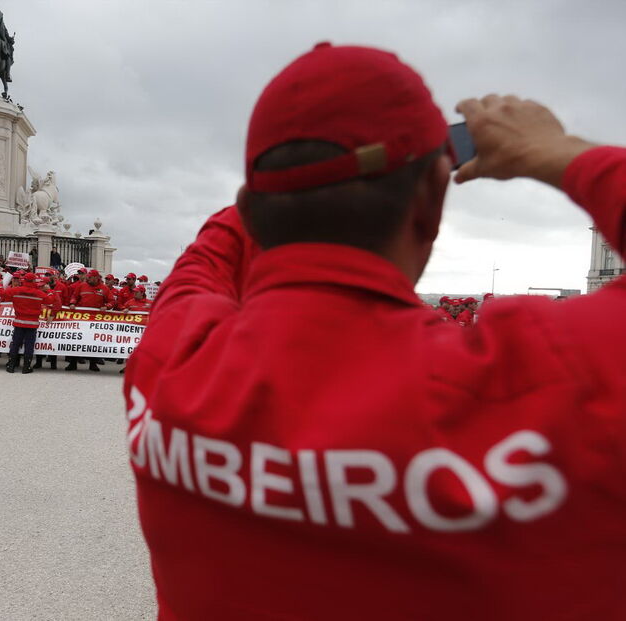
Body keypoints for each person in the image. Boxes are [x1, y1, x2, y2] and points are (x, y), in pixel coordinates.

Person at [123, 43, 626, 620]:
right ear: (432, 203)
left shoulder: (176, 354)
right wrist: (558, 153)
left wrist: (292, 181)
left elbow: (211, 253)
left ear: (253, 208)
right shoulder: (552, 378)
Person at [0, 273, 58, 374]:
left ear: (23, 280)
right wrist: (49, 290)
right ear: (34, 281)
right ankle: (26, 367)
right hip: (32, 324)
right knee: (29, 346)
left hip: (19, 323)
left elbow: (2, 294)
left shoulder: (16, 290)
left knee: (15, 345)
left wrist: (0, 285)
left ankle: (11, 366)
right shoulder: (38, 293)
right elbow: (50, 300)